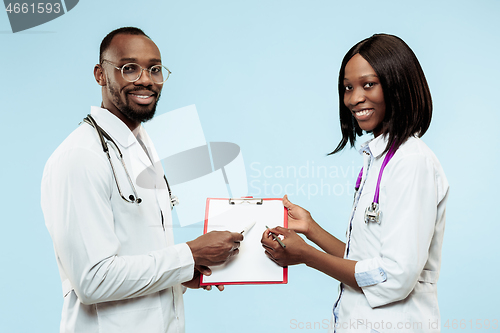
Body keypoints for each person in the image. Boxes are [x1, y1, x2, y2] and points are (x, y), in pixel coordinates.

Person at [41, 27, 243, 333]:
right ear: (101, 75)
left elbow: (139, 252)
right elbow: (93, 280)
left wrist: (183, 270)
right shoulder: (80, 157)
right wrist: (189, 254)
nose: (146, 79)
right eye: (129, 68)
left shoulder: (141, 144)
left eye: (155, 69)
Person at [261, 34, 449, 333]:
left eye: (368, 84)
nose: (353, 98)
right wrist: (311, 230)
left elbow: (394, 276)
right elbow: (363, 261)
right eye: (348, 88)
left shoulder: (412, 162)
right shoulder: (378, 159)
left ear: (397, 84)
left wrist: (307, 256)